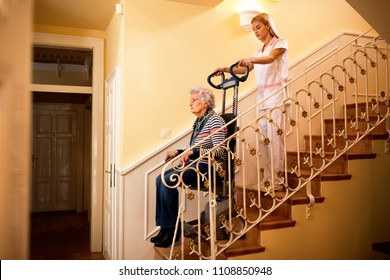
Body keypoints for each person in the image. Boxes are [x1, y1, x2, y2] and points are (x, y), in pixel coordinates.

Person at [215, 12, 288, 189]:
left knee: (275, 140)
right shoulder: (258, 51)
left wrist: (251, 59)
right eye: (253, 28)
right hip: (262, 99)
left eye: (258, 27)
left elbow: (270, 59)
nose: (255, 31)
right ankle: (268, 178)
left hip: (276, 97)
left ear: (268, 26)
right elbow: (245, 69)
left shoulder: (280, 43)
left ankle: (277, 180)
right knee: (264, 140)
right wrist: (225, 69)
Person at [151, 86, 227, 248]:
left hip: (211, 167)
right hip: (198, 164)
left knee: (167, 180)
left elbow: (220, 151)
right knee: (160, 179)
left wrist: (194, 151)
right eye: (190, 101)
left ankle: (173, 231)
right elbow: (195, 150)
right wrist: (178, 151)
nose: (190, 104)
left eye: (194, 100)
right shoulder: (199, 122)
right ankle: (165, 228)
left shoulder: (215, 120)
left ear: (205, 102)